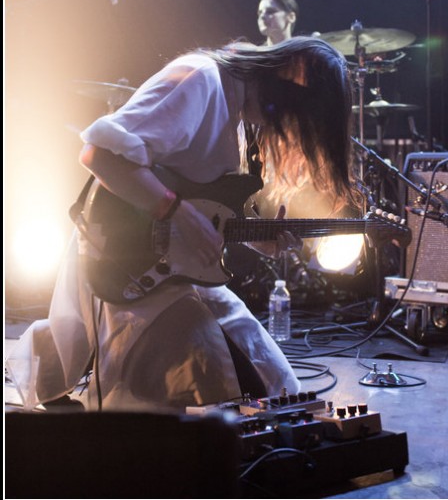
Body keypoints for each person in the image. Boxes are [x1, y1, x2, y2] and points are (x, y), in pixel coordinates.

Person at [8, 36, 357, 413]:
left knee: (276, 386)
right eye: (295, 117)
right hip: (128, 261)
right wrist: (175, 212)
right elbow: (99, 154)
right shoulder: (201, 79)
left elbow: (206, 208)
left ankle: (63, 359)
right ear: (287, 83)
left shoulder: (234, 108)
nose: (287, 128)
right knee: (208, 384)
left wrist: (263, 242)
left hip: (179, 272)